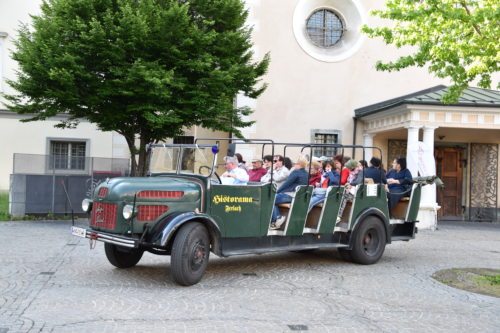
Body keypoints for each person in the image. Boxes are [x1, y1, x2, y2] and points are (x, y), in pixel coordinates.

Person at [270, 156, 309, 229]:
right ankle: (276, 219)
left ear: (299, 164)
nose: (294, 165)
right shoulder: (306, 173)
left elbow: (286, 184)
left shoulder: (296, 172)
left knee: (270, 199)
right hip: (298, 196)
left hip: (290, 195)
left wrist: (277, 192)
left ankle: (277, 218)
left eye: (295, 163)